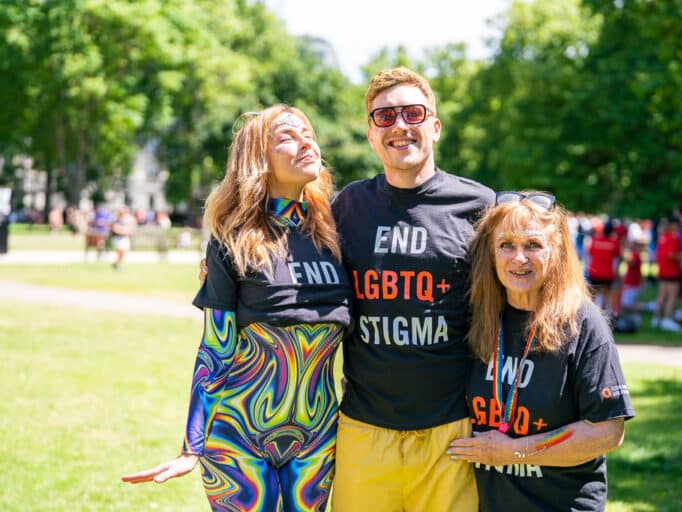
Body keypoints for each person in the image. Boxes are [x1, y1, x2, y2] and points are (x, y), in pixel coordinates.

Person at [122, 104, 352, 512]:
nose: (305, 142)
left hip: (317, 437)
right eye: (287, 136)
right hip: (238, 439)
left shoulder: (336, 237)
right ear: (258, 159)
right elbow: (216, 349)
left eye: (308, 134)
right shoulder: (234, 243)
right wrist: (191, 447)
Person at [329, 67, 495, 511]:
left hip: (452, 431)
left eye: (413, 113)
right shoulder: (346, 206)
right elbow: (284, 244)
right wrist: (221, 254)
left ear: (435, 127)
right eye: (385, 117)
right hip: (364, 428)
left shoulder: (479, 205)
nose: (400, 126)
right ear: (370, 134)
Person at [447, 191, 634, 511]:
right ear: (490, 253)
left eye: (533, 245)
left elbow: (607, 431)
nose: (519, 258)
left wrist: (516, 450)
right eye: (506, 245)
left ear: (557, 250)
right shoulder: (478, 318)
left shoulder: (583, 323)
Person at [651, 216, 682, 331]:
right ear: (674, 225)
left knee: (662, 295)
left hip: (663, 269)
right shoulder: (673, 237)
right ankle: (667, 319)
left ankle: (656, 319)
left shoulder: (662, 237)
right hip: (672, 270)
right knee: (672, 296)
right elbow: (671, 254)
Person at [586, 219, 622, 316]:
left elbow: (590, 254)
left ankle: (591, 314)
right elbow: (617, 258)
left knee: (593, 294)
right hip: (607, 273)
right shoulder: (614, 242)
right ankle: (603, 315)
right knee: (606, 294)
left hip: (594, 271)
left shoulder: (595, 240)